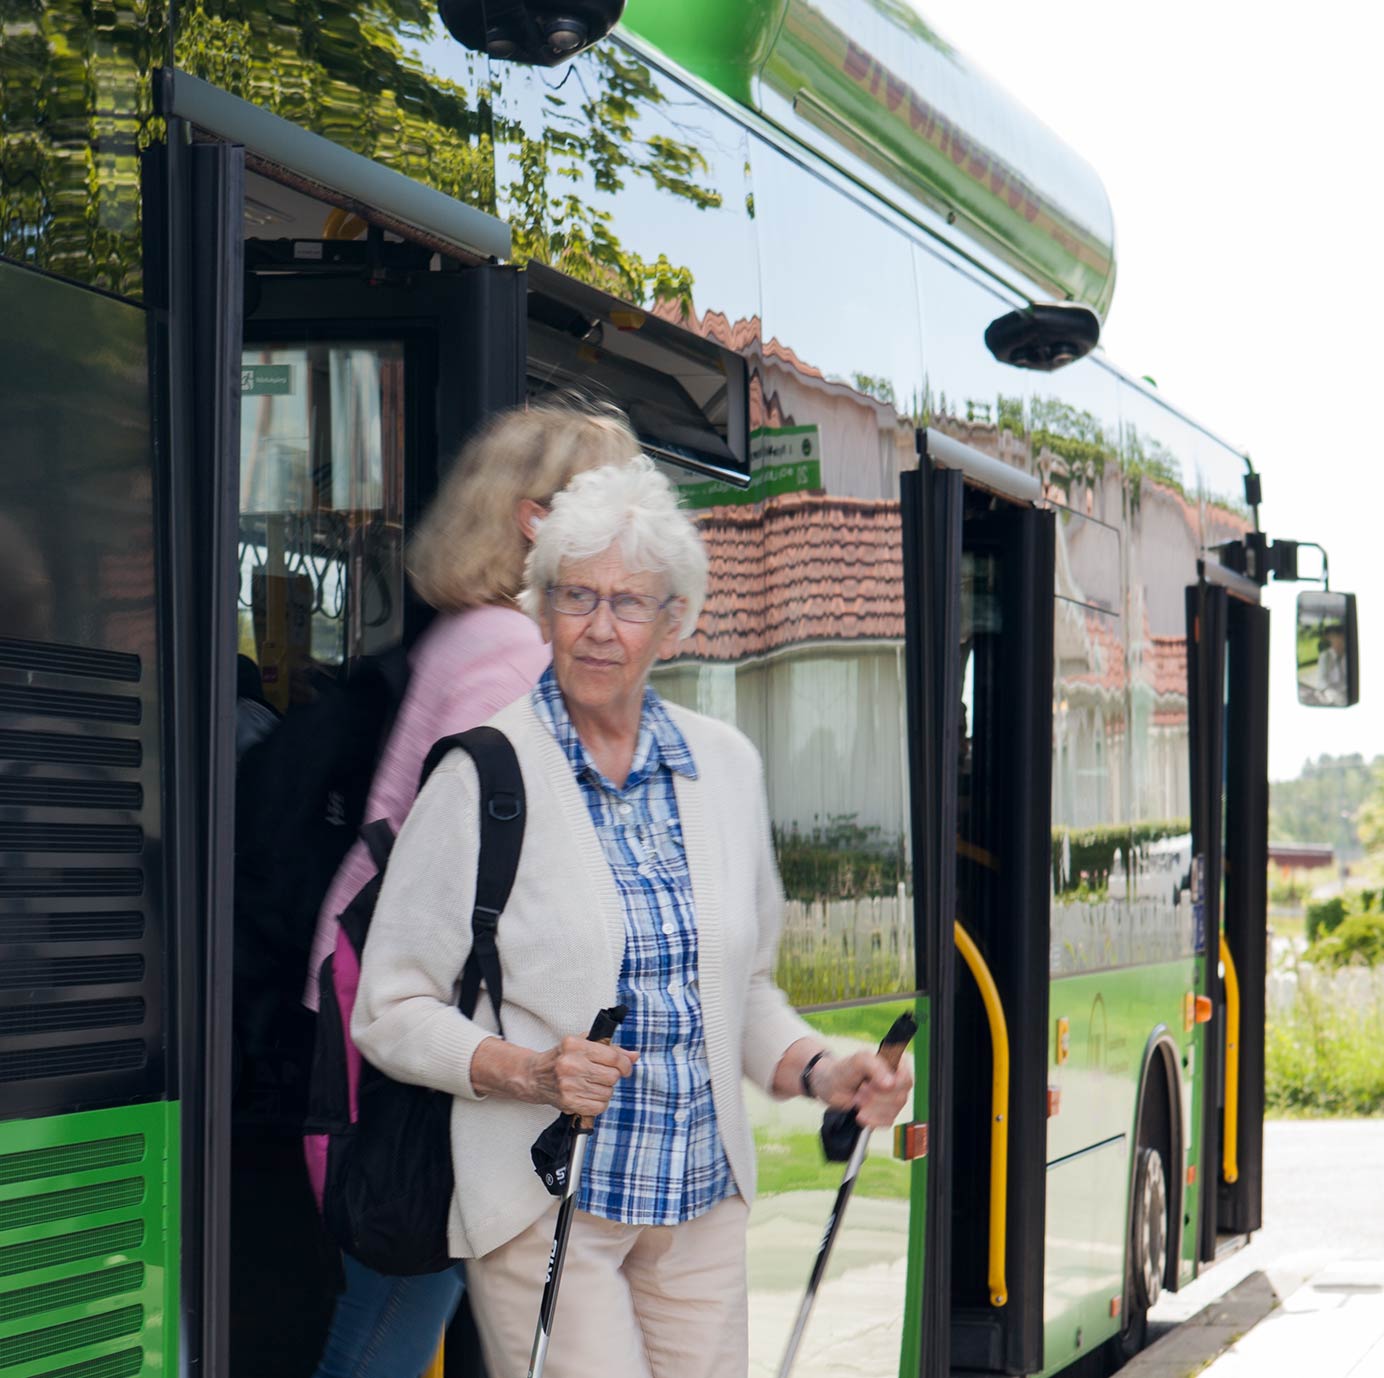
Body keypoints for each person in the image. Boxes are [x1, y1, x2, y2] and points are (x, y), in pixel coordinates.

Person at [352, 456, 913, 1378]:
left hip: (699, 1200)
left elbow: (743, 988)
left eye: (629, 602)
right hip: (547, 1204)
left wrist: (826, 1067)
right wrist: (529, 1071)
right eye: (576, 597)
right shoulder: (482, 776)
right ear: (541, 610)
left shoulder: (726, 768)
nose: (600, 629)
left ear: (675, 623)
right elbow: (390, 1007)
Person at [306, 395, 640, 1378]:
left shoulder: (478, 635)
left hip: (418, 1022)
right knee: (394, 1317)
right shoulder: (513, 653)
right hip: (434, 1045)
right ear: (537, 519)